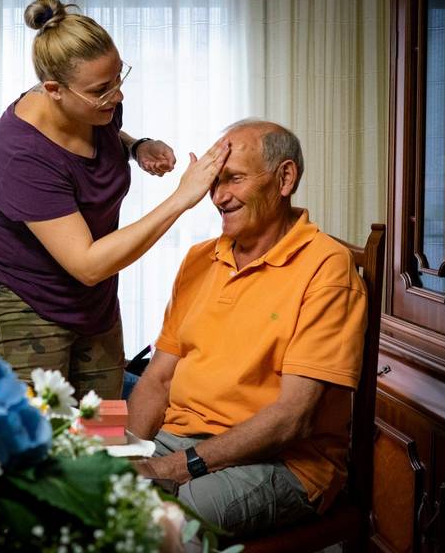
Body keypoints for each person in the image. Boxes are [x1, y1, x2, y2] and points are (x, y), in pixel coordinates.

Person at [0, 0, 230, 401]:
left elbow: (98, 139)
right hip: (26, 301)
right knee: (41, 438)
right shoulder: (18, 157)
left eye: (119, 80)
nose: (117, 96)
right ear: (53, 89)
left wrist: (136, 146)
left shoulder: (95, 107)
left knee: (104, 424)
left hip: (94, 300)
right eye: (102, 89)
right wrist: (183, 197)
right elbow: (88, 264)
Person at [128, 119, 367, 537]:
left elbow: (293, 417)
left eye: (234, 179)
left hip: (284, 462)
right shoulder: (199, 259)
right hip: (178, 441)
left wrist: (168, 468)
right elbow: (158, 378)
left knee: (148, 528)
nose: (219, 197)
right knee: (72, 493)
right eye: (215, 182)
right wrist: (125, 453)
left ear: (285, 178)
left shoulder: (326, 267)